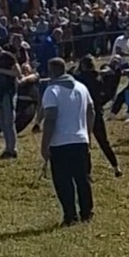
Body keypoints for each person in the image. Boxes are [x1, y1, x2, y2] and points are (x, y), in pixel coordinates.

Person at [41, 58, 95, 226]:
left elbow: (50, 117)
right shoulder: (81, 87)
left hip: (60, 142)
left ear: (51, 72)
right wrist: (88, 133)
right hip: (80, 139)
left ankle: (70, 215)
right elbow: (91, 110)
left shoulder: (52, 90)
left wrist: (44, 144)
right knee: (82, 178)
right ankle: (87, 212)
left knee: (63, 181)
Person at [72, 57, 122, 177]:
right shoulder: (99, 77)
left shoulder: (79, 79)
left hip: (82, 113)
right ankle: (116, 167)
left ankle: (87, 172)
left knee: (85, 143)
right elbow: (111, 76)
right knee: (104, 142)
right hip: (97, 112)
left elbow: (70, 73)